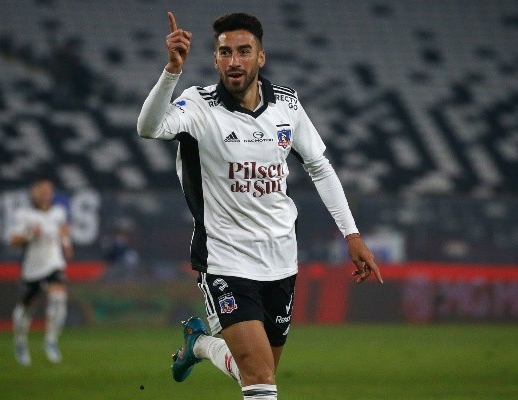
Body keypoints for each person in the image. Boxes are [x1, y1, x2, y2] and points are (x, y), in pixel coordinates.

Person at [137, 12, 383, 400]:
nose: (234, 61)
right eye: (225, 52)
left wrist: (351, 234)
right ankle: (204, 345)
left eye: (244, 51)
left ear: (261, 57)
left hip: (281, 258)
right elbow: (148, 128)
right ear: (215, 59)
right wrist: (172, 71)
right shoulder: (198, 105)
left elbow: (319, 166)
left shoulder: (287, 104)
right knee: (260, 379)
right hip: (225, 259)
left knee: (257, 371)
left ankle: (199, 345)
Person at [9, 178, 73, 366]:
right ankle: (20, 342)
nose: (46, 196)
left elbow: (63, 232)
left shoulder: (58, 212)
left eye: (48, 192)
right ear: (34, 194)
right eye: (42, 192)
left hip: (54, 263)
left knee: (59, 298)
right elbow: (13, 241)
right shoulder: (24, 215)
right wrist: (30, 234)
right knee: (27, 308)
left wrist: (66, 243)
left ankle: (51, 341)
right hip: (32, 268)